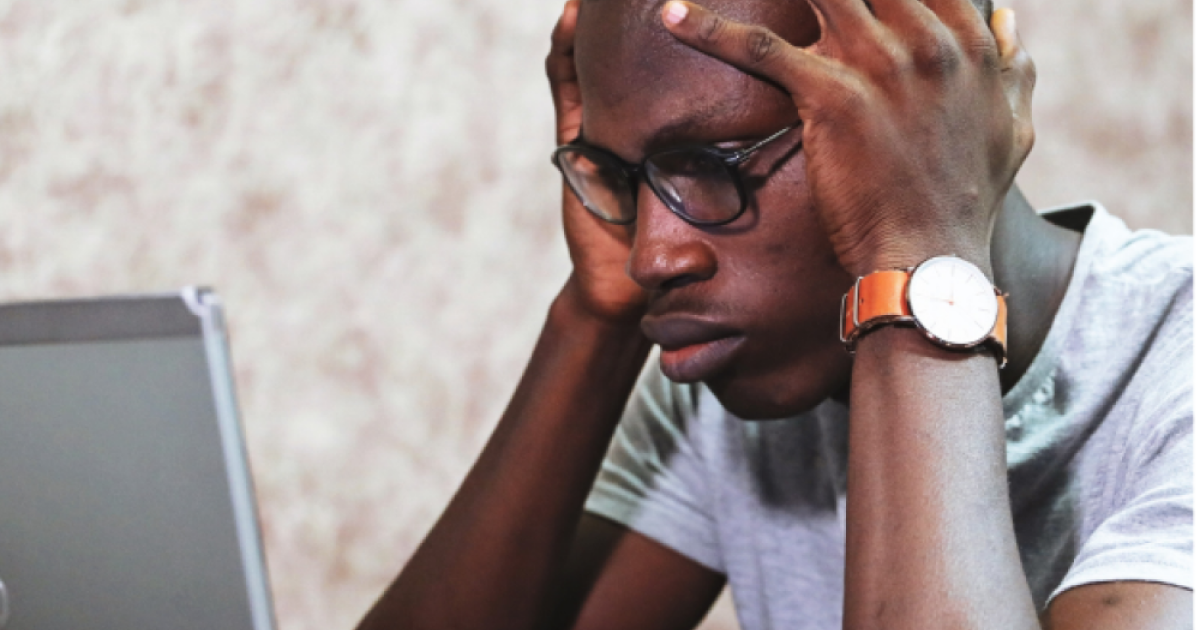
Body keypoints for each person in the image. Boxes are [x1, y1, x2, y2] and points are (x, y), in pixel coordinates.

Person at [358, 0, 1192, 628]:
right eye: (621, 175)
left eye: (710, 163)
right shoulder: (725, 383)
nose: (655, 256)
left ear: (939, 101)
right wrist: (593, 318)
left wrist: (916, 263)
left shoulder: (1178, 364)